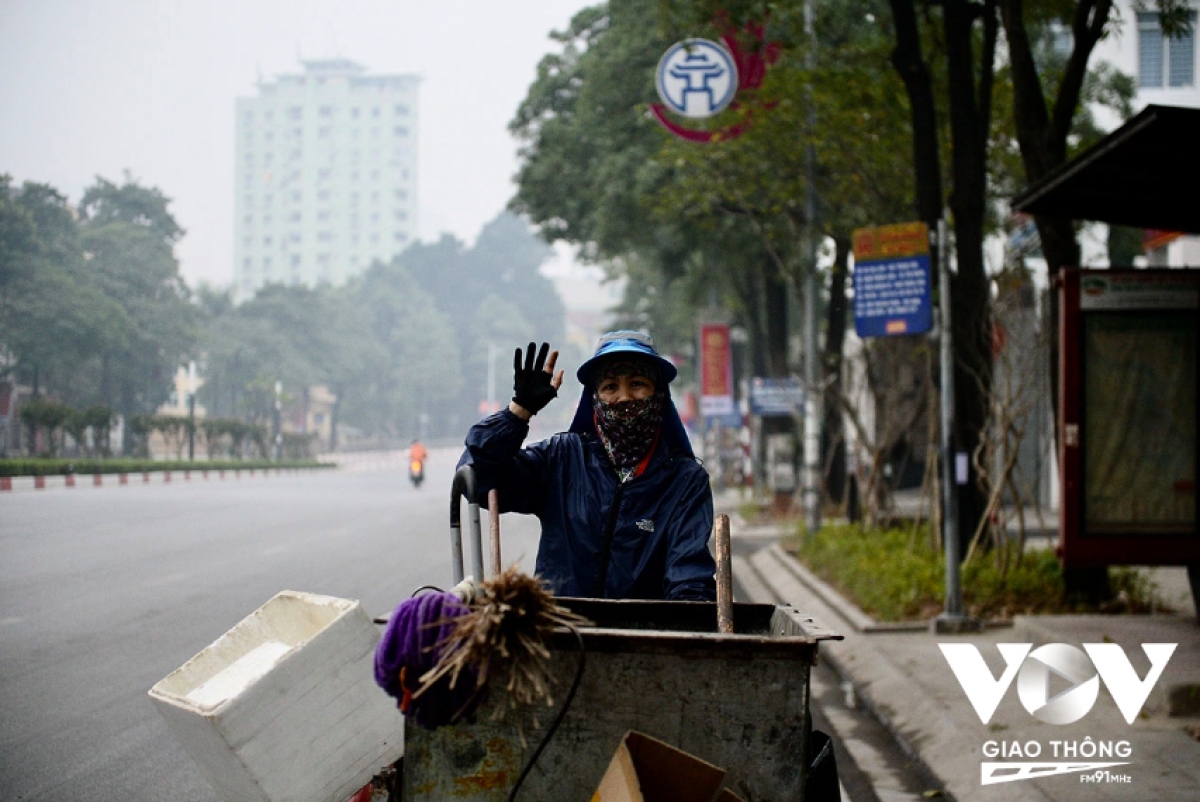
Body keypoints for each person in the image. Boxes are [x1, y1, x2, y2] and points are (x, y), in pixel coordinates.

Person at [459, 332, 716, 601]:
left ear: (659, 394)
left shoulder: (685, 480)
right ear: (595, 398)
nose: (625, 398)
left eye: (638, 384)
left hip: (645, 636)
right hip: (561, 634)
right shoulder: (561, 459)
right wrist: (519, 411)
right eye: (610, 387)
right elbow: (478, 480)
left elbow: (689, 581)